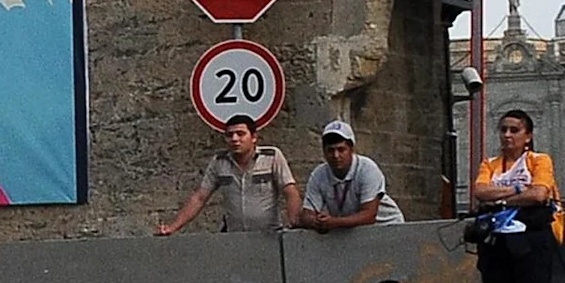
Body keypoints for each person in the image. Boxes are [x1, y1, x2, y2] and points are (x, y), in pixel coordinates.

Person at [468, 108, 563, 283]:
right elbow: (480, 191)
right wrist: (516, 192)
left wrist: (501, 198)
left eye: (514, 130)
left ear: (528, 136)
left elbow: (539, 194)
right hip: (496, 242)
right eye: (503, 130)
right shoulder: (491, 164)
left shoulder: (539, 161)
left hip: (531, 240)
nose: (507, 135)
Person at [157, 115, 296, 234]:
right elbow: (200, 197)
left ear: (253, 137)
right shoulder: (219, 161)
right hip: (234, 237)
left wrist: (295, 222)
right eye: (229, 135)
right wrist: (173, 227)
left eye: (240, 134)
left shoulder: (272, 157)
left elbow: (289, 191)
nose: (234, 139)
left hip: (269, 236)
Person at [296, 120, 400, 231]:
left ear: (352, 149)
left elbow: (369, 216)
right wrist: (315, 221)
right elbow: (307, 213)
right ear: (324, 152)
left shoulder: (367, 169)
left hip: (388, 227)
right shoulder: (319, 175)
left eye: (341, 150)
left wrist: (333, 222)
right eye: (330, 150)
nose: (336, 156)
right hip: (353, 232)